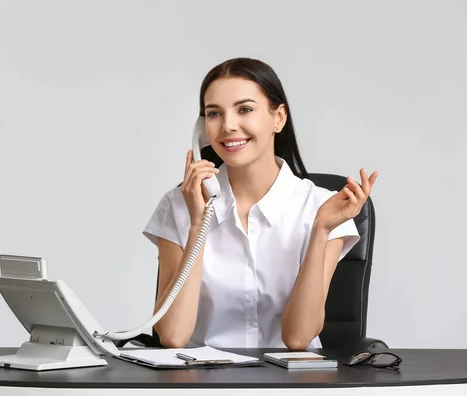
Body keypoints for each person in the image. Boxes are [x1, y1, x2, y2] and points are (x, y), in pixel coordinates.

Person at [142, 57, 378, 350]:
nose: (227, 126)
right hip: (203, 385)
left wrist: (320, 231)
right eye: (214, 113)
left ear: (278, 118)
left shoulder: (321, 207)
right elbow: (173, 336)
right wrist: (197, 224)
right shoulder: (178, 205)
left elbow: (297, 338)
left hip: (290, 387)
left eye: (244, 109)